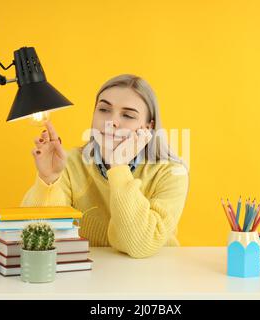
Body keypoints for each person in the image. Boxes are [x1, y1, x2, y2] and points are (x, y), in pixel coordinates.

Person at [21, 74, 189, 258]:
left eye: (127, 115)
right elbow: (39, 238)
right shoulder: (69, 163)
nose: (112, 121)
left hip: (154, 277)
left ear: (148, 127)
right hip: (90, 276)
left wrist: (118, 167)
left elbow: (139, 245)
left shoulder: (172, 173)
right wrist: (49, 179)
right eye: (103, 109)